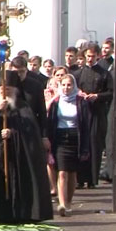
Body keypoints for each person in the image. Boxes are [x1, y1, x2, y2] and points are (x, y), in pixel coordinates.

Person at [0, 78, 53, 224]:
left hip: (17, 151)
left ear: (15, 90)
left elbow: (29, 130)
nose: (4, 91)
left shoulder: (23, 106)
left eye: (8, 89)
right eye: (1, 88)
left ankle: (17, 213)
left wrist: (12, 132)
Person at [46, 74, 91, 216]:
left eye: (69, 85)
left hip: (75, 137)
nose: (66, 88)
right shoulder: (56, 101)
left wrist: (85, 145)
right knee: (62, 172)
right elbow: (49, 119)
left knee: (72, 174)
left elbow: (85, 124)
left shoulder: (81, 102)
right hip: (60, 137)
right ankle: (62, 204)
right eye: (63, 85)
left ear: (74, 86)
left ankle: (69, 202)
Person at [74, 44, 113, 188]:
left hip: (97, 112)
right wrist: (80, 94)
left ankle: (92, 179)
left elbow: (110, 92)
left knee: (94, 145)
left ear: (97, 56)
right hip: (82, 113)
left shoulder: (104, 73)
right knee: (81, 143)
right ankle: (80, 179)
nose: (90, 59)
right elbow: (73, 90)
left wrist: (97, 96)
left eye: (92, 56)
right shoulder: (78, 73)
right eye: (87, 56)